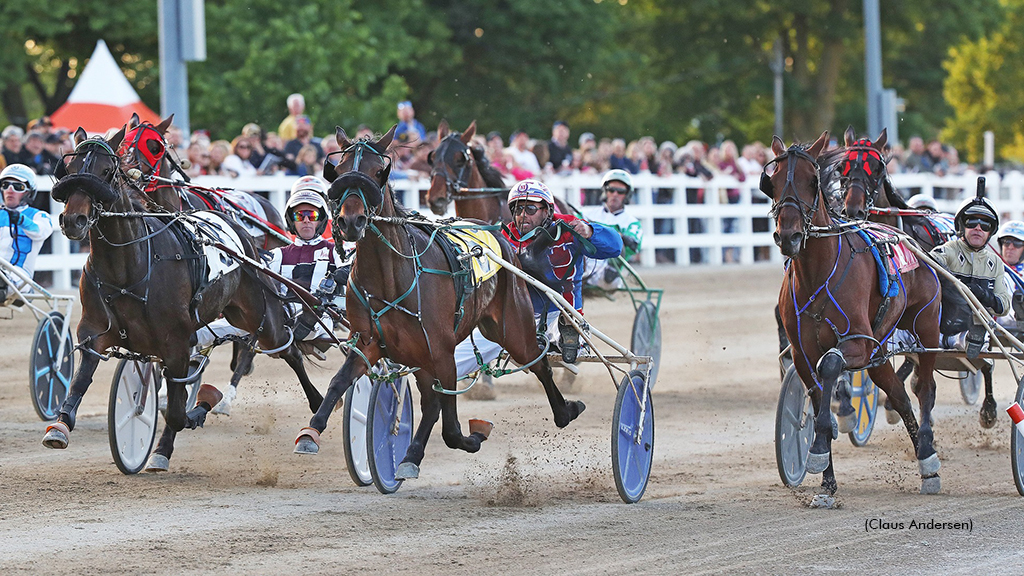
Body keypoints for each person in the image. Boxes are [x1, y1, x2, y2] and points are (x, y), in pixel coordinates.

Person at [194, 176, 349, 414]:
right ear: (291, 220)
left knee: (278, 317)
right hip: (273, 320)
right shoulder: (278, 254)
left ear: (321, 220)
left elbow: (352, 267)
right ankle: (183, 379)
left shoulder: (335, 252)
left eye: (312, 215)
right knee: (200, 332)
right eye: (300, 216)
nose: (306, 220)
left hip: (317, 319)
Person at [453, 180, 622, 376]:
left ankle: (568, 336)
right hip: (514, 319)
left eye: (530, 208)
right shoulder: (504, 237)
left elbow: (615, 246)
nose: (522, 215)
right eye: (517, 210)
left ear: (547, 210)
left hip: (562, 314)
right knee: (451, 365)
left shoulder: (569, 229)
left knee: (567, 337)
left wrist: (591, 232)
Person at [930, 195, 1011, 358]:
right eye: (972, 222)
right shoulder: (949, 249)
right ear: (962, 226)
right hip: (934, 327)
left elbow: (1004, 306)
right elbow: (929, 260)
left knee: (969, 338)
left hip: (972, 328)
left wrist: (983, 294)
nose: (978, 228)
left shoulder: (995, 262)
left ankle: (972, 339)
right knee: (898, 337)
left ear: (990, 231)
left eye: (985, 224)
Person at [0, 164, 54, 303]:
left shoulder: (38, 216)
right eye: (5, 185)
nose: (9, 190)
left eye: (18, 187)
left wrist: (21, 220)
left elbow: (41, 231)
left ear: (29, 192)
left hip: (19, 277)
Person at [582, 169, 643, 290]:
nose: (615, 194)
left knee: (618, 241)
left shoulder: (632, 222)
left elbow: (634, 245)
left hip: (608, 277)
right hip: (581, 267)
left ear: (627, 195)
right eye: (611, 190)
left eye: (620, 191)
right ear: (605, 191)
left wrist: (616, 236)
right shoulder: (586, 214)